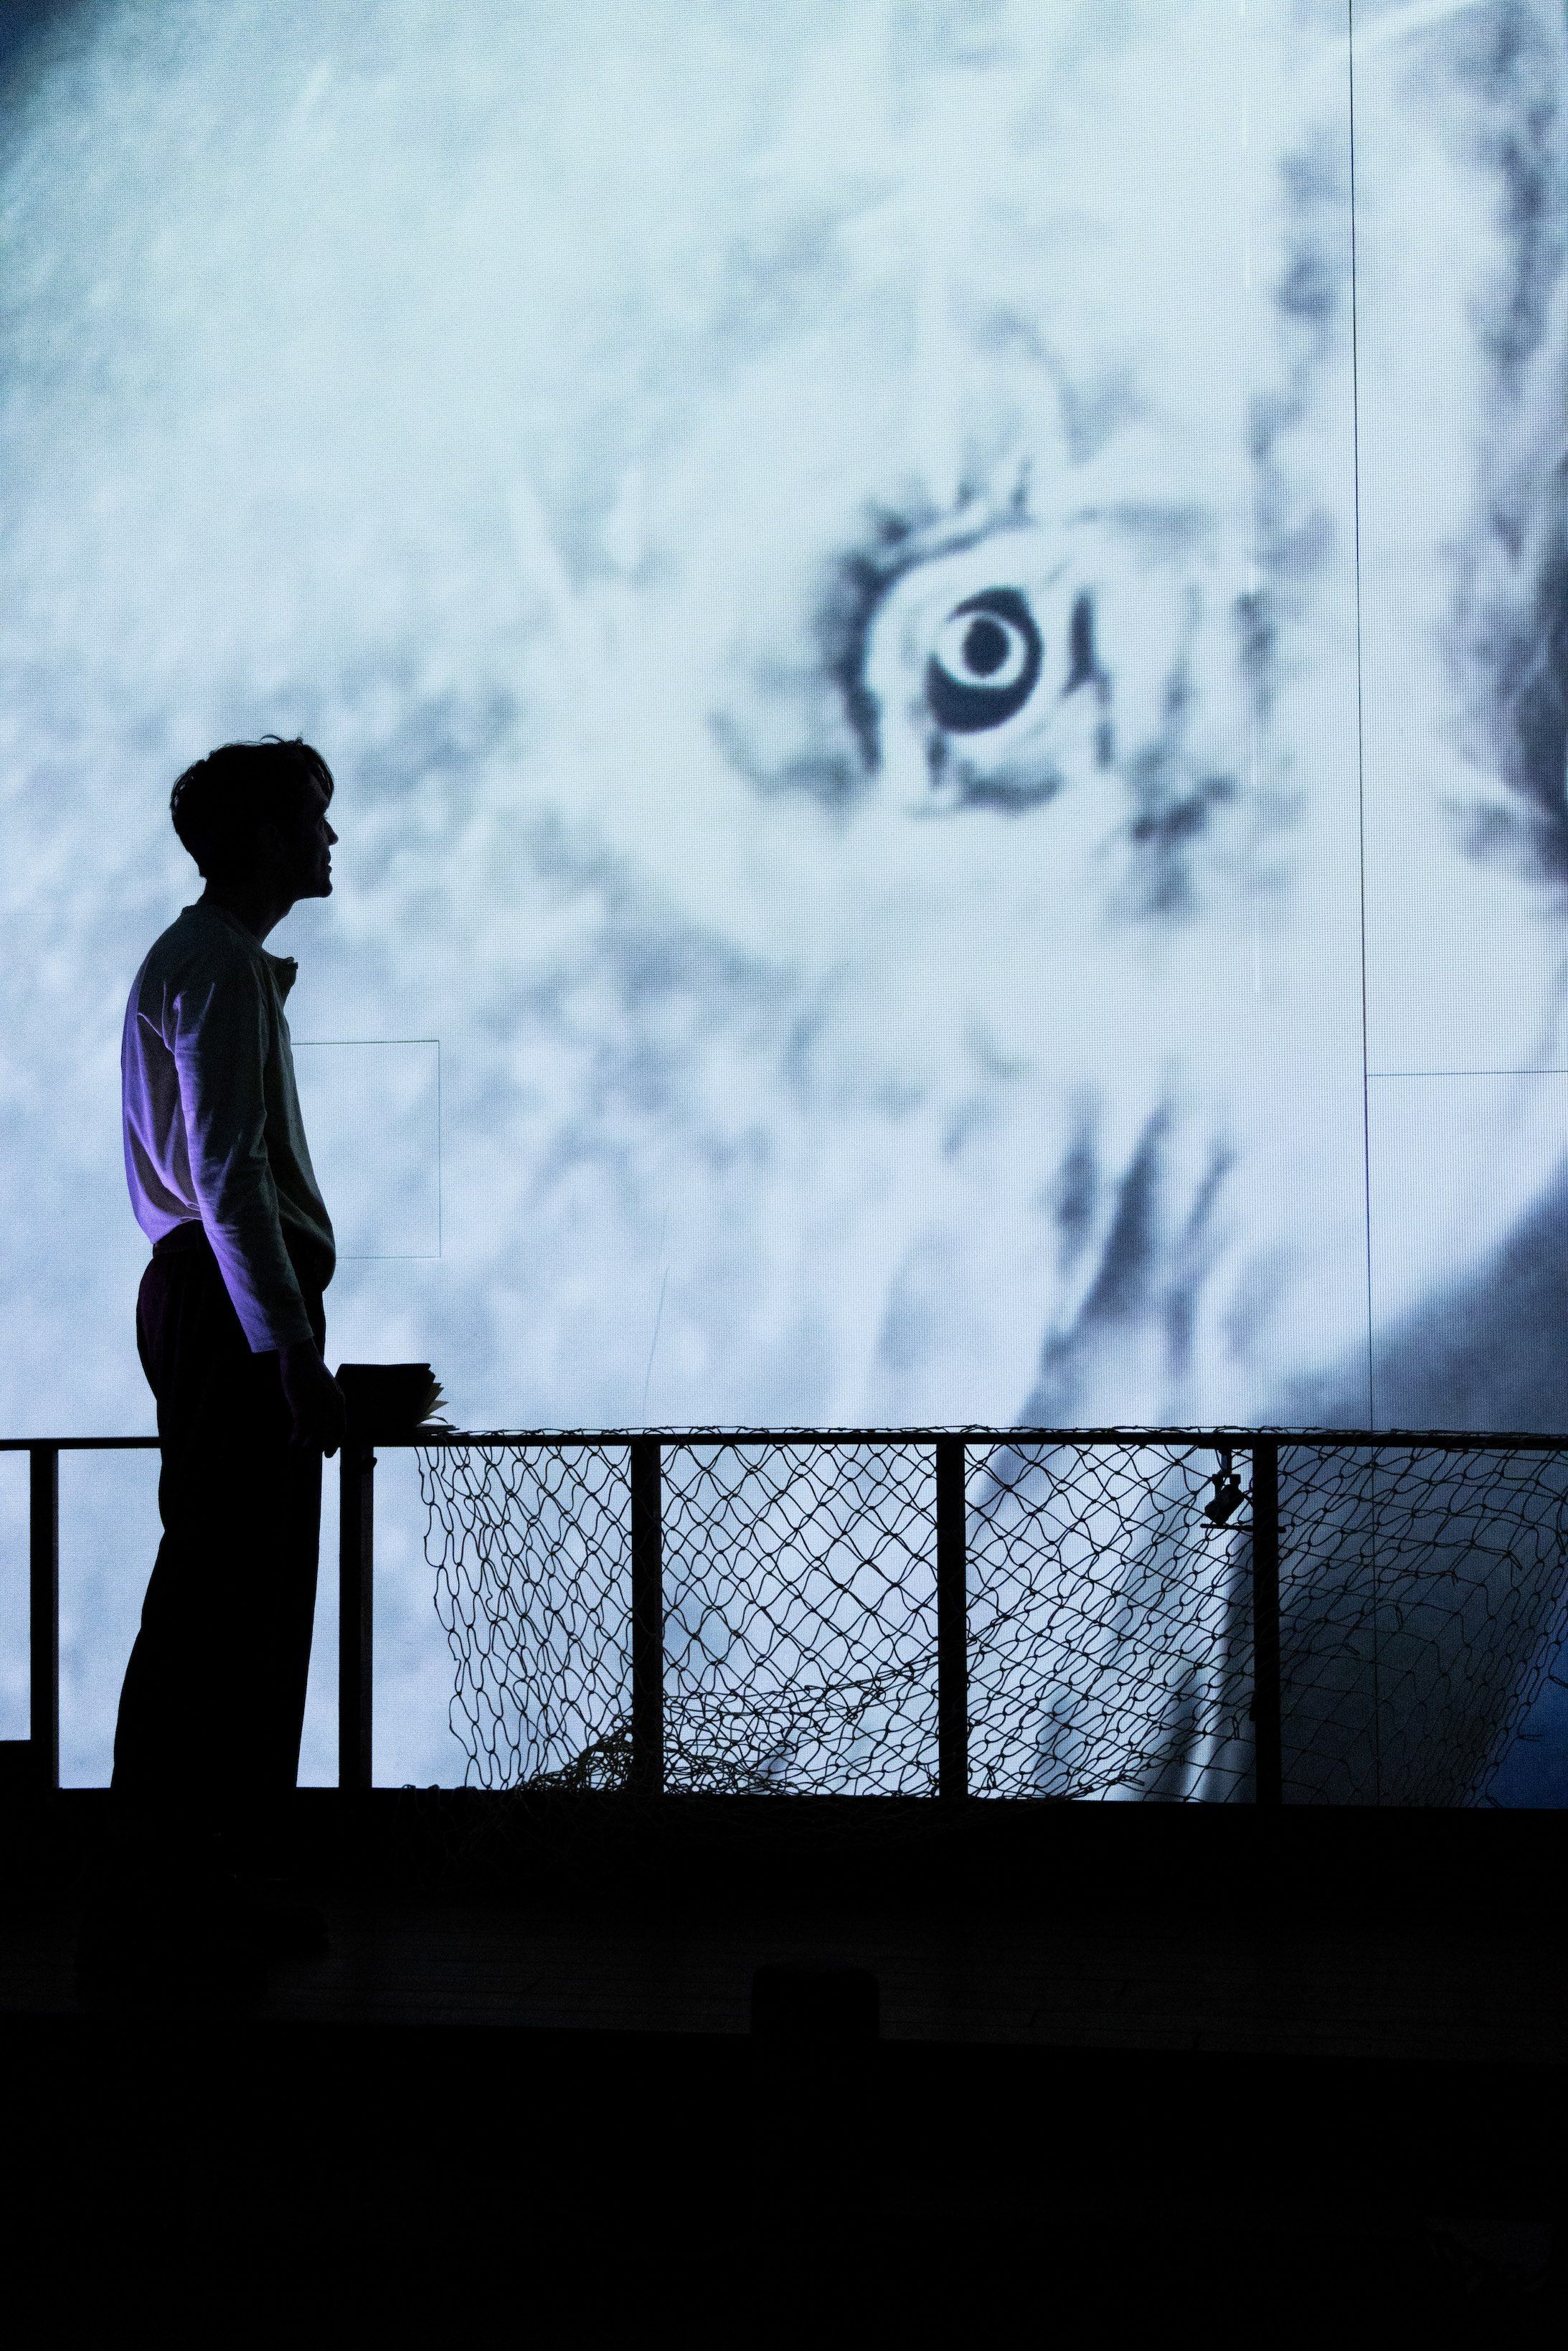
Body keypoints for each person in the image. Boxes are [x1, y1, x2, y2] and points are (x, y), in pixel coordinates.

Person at [100, 735, 346, 1964]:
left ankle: (183, 1886)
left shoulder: (202, 960)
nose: (328, 840)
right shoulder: (221, 967)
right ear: (257, 840)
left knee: (210, 1590)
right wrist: (290, 1348)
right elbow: (227, 1174)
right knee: (223, 1599)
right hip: (228, 1304)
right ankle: (183, 1892)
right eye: (308, 820)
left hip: (209, 1300)